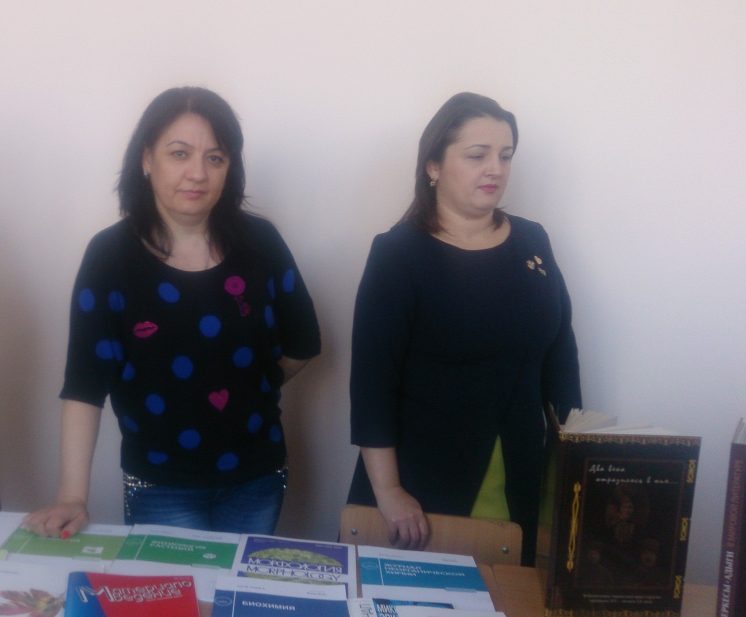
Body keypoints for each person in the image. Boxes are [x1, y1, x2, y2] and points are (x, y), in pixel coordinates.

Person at [24, 87, 320, 537]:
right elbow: (85, 383)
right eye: (179, 153)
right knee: (172, 585)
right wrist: (72, 496)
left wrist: (250, 385)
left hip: (257, 477)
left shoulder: (261, 243)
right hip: (159, 484)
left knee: (237, 587)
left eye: (215, 158)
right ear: (147, 159)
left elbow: (304, 341)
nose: (197, 173)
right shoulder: (110, 256)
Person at [347, 92, 581, 566]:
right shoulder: (398, 254)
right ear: (433, 165)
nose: (495, 168)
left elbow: (561, 357)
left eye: (505, 155)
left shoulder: (533, 240)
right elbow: (372, 384)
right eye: (478, 155)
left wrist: (572, 467)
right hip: (421, 489)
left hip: (520, 474)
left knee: (516, 594)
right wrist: (389, 491)